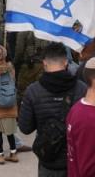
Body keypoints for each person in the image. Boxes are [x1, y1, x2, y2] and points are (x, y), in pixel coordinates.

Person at [19, 42, 86, 177]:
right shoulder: (82, 89)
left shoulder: (33, 91)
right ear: (66, 62)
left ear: (44, 63)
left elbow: (25, 128)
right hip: (75, 159)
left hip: (47, 158)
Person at [14, 31, 48, 108]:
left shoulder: (23, 30)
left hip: (27, 66)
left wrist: (15, 62)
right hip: (42, 65)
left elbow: (19, 50)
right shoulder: (43, 29)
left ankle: (23, 115)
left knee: (23, 92)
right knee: (40, 92)